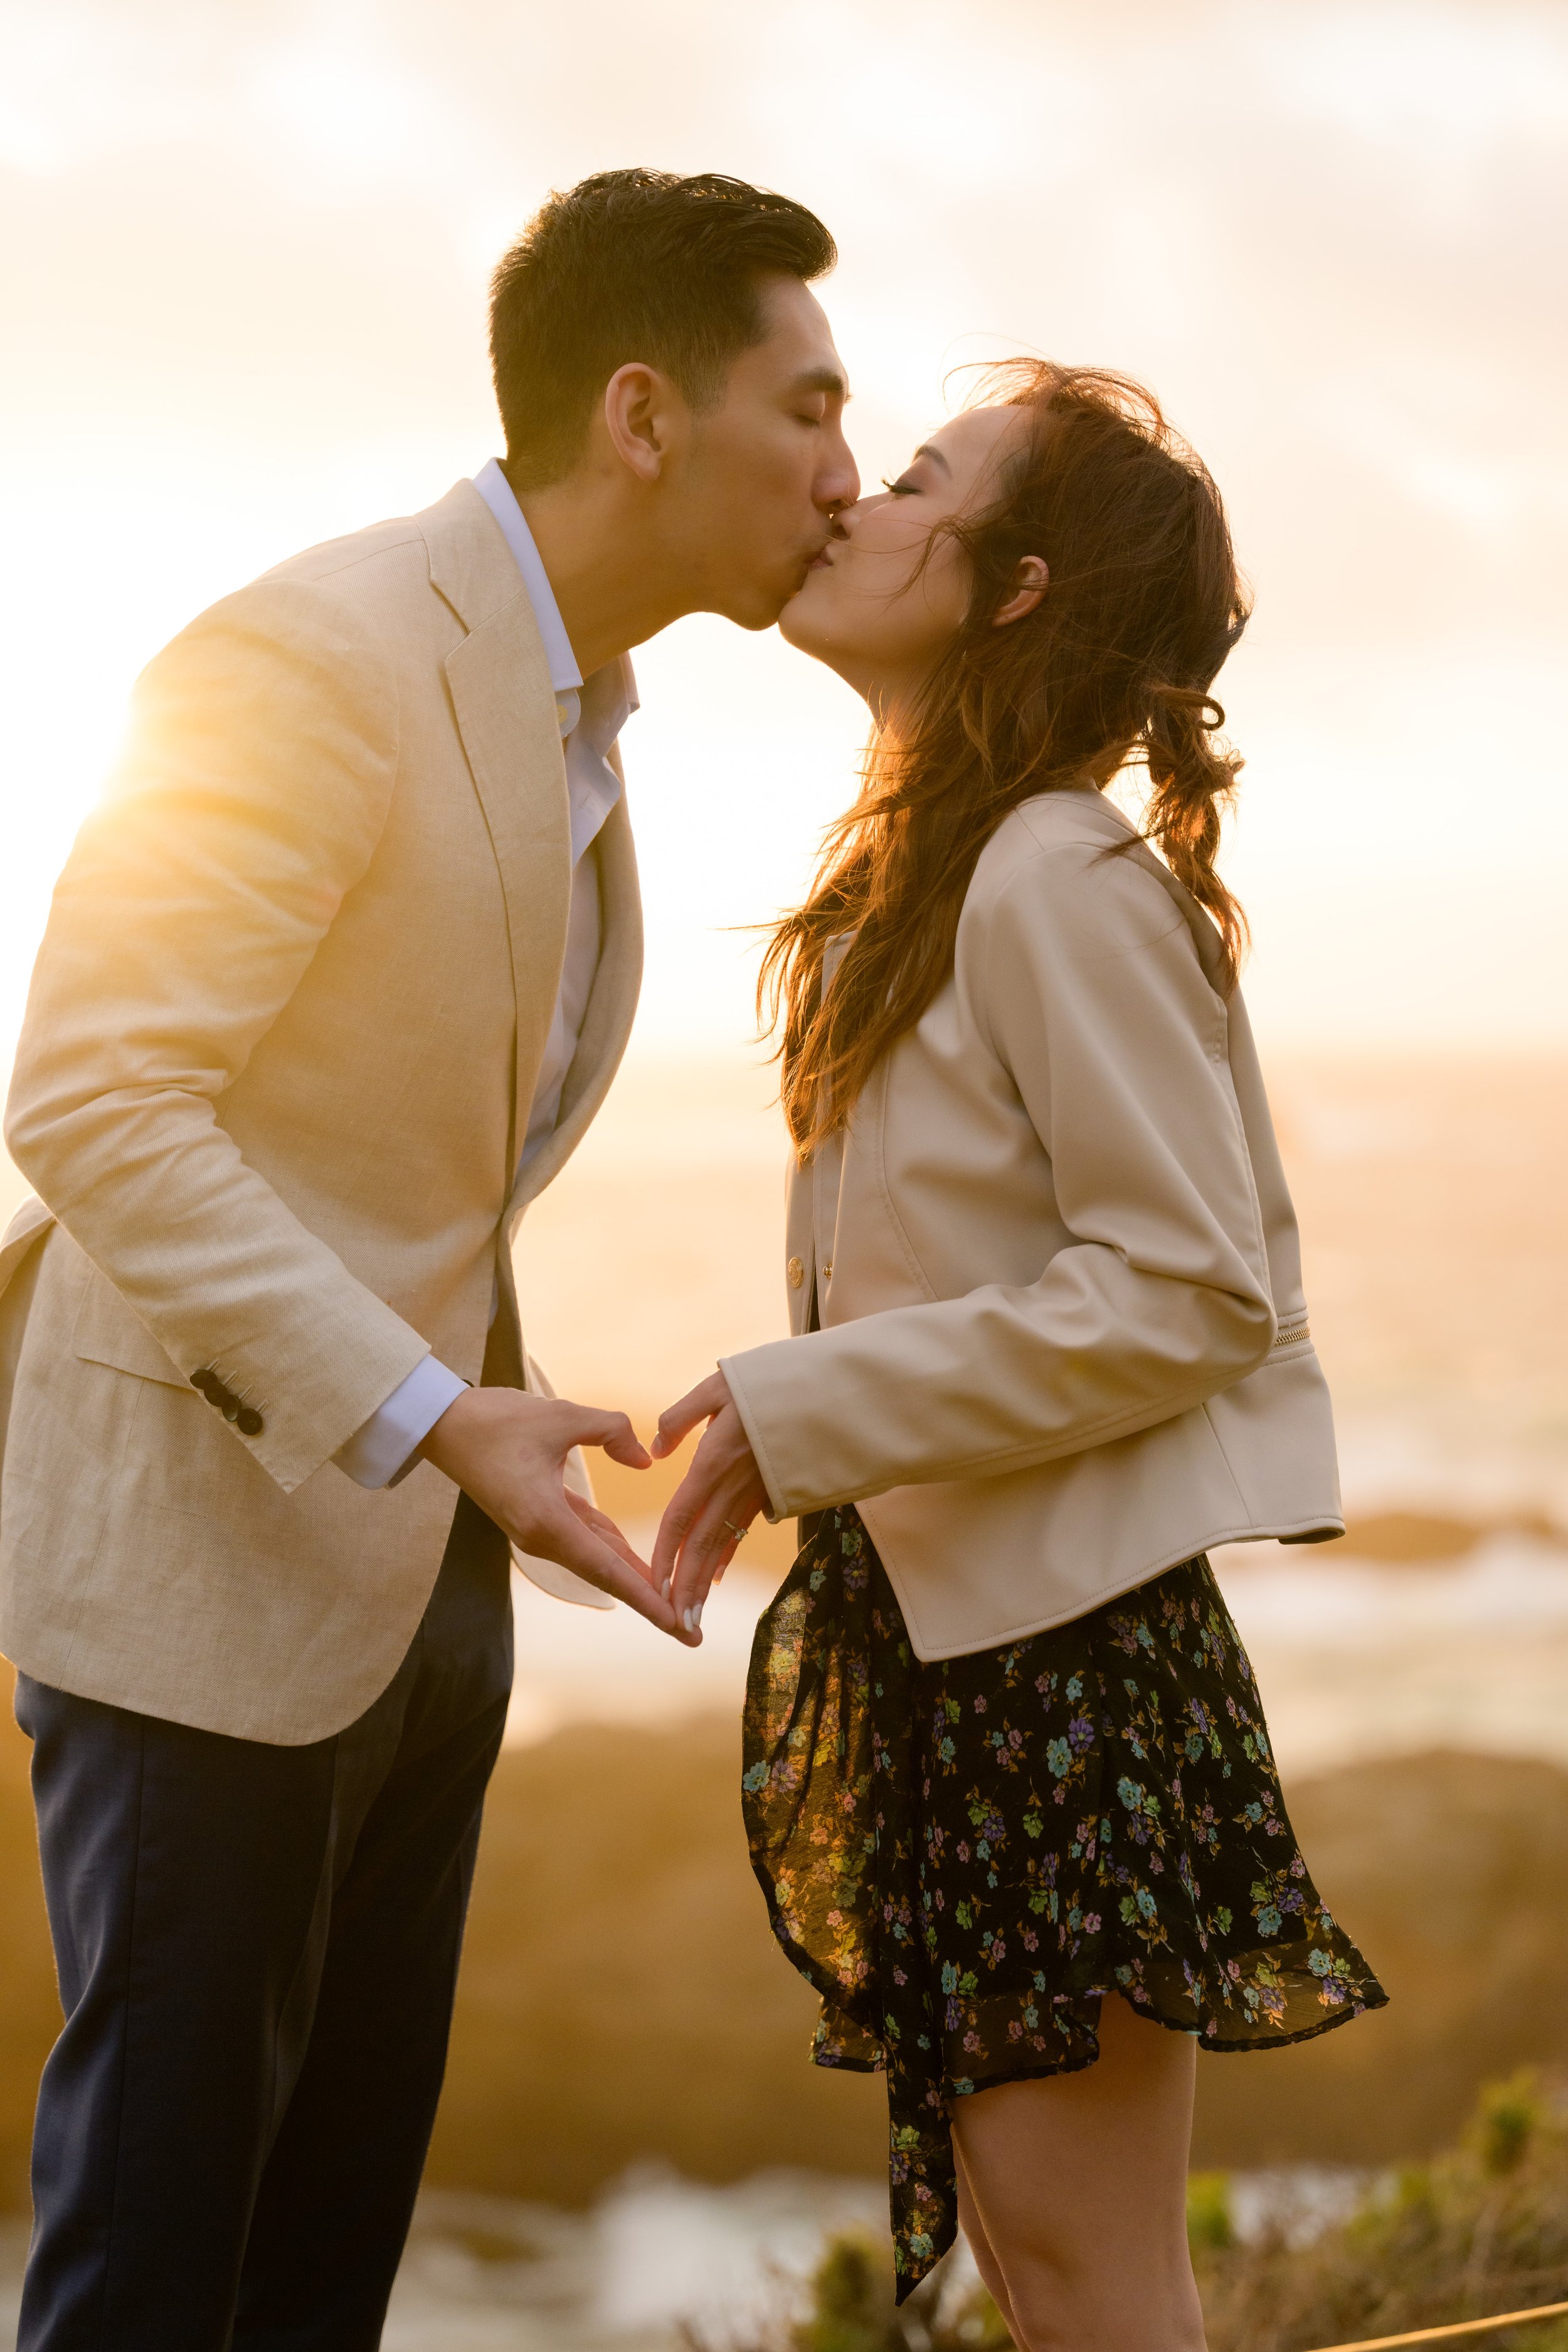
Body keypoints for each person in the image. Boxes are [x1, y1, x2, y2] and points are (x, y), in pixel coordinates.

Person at [0, 168, 857, 2348]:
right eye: (813, 409)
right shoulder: (314, 650)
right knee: (150, 2266)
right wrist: (425, 1412)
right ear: (644, 417)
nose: (848, 478)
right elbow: (93, 1096)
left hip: (419, 1602)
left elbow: (412, 1165)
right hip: (199, 1584)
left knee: (324, 2270)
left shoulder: (586, 719)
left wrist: (483, 1460)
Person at [652, 364, 1387, 2350]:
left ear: (1014, 585)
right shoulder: (946, 866)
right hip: (964, 1647)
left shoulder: (1052, 873)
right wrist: (786, 1429)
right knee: (1047, 2276)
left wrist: (801, 1407)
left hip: (1061, 1668)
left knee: (1083, 2281)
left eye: (914, 481)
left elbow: (1189, 1286)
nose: (852, 503)